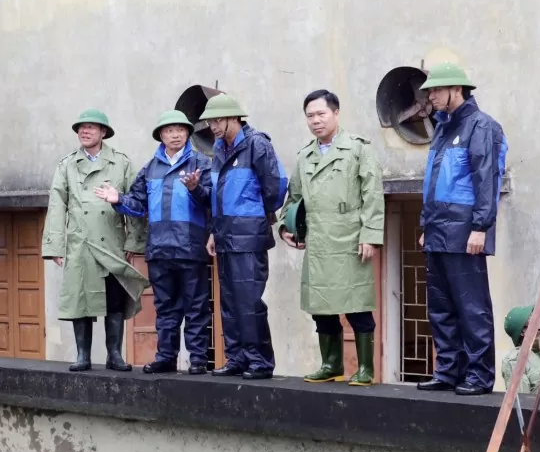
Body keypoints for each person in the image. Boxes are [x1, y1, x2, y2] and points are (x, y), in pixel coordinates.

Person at [276, 90, 384, 386]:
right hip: (319, 241)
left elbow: (372, 196)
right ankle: (331, 364)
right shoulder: (305, 155)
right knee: (321, 306)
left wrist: (371, 236)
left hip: (350, 237)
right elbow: (294, 197)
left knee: (357, 304)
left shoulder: (359, 149)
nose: (315, 121)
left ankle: (365, 368)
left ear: (336, 113)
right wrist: (285, 227)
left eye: (321, 114)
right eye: (310, 116)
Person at [416, 62, 508, 396]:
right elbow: (432, 183)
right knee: (440, 307)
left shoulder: (481, 126)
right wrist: (426, 224)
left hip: (465, 231)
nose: (431, 97)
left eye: (437, 90)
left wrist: (481, 227)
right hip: (439, 232)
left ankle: (479, 376)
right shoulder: (441, 128)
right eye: (430, 91)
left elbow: (487, 179)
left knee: (472, 307)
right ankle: (448, 371)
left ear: (457, 90)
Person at [95, 110, 212, 375]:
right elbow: (138, 204)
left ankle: (198, 359)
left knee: (196, 306)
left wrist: (196, 188)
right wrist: (119, 200)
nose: (175, 135)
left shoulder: (201, 163)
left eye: (180, 130)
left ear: (187, 134)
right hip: (159, 249)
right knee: (165, 308)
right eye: (169, 130)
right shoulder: (150, 168)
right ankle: (166, 357)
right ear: (161, 135)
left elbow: (212, 202)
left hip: (191, 248)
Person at [185, 93, 288, 380]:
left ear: (234, 118)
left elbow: (276, 188)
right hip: (224, 236)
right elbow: (214, 198)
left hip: (249, 237)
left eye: (218, 120)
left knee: (249, 302)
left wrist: (255, 214)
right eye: (209, 121)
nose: (213, 126)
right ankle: (237, 358)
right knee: (229, 303)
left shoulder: (257, 144)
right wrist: (195, 190)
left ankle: (259, 362)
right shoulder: (218, 151)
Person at [42, 109, 148, 372]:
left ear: (103, 132)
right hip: (80, 244)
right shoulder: (66, 165)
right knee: (81, 300)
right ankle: (82, 355)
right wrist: (55, 246)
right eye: (81, 128)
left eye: (91, 127)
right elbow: (57, 206)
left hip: (111, 243)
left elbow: (135, 202)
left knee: (115, 299)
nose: (85, 131)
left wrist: (133, 244)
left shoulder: (121, 163)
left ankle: (114, 354)